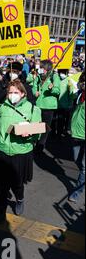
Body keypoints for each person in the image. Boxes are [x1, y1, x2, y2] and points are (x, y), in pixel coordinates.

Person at [0, 80, 42, 224]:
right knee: (1, 186)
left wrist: (29, 134)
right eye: (10, 92)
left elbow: (38, 132)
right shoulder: (0, 108)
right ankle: (0, 212)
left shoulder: (33, 109)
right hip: (1, 151)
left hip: (21, 152)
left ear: (23, 94)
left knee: (17, 183)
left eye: (16, 92)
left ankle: (20, 199)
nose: (12, 95)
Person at [33, 59, 61, 154]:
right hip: (38, 104)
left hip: (48, 106)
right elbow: (34, 86)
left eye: (42, 67)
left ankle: (40, 146)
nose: (40, 69)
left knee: (45, 128)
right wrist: (35, 92)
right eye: (40, 67)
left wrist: (51, 88)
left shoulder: (54, 76)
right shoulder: (39, 76)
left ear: (47, 68)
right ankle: (35, 142)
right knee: (36, 126)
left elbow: (57, 90)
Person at [68, 72, 85, 202]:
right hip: (76, 134)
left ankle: (77, 191)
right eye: (82, 81)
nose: (83, 83)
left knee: (84, 166)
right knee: (76, 159)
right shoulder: (79, 94)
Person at [54, 68, 77, 138]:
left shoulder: (69, 81)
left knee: (61, 120)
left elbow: (72, 95)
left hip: (64, 105)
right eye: (61, 72)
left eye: (64, 72)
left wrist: (70, 88)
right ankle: (53, 132)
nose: (62, 74)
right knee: (54, 120)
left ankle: (59, 133)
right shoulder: (55, 79)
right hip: (55, 104)